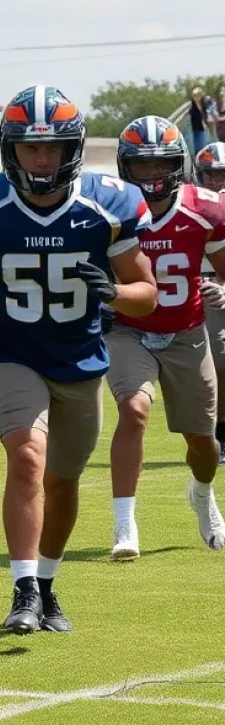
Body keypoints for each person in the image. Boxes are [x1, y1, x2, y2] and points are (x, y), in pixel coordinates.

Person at [0, 84, 156, 635]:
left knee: (63, 482)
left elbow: (146, 294)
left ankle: (46, 584)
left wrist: (113, 293)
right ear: (10, 150)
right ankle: (22, 589)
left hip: (81, 358)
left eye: (53, 147)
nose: (41, 159)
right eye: (30, 147)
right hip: (12, 354)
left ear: (72, 148)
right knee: (26, 457)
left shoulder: (107, 205)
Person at [106, 116, 225, 559]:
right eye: (143, 165)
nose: (153, 174)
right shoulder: (110, 208)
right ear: (126, 167)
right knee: (134, 410)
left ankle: (202, 493)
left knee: (203, 443)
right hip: (128, 329)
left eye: (162, 164)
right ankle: (125, 523)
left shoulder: (204, 209)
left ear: (179, 165)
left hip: (186, 332)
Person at [193, 142, 225, 461]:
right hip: (202, 286)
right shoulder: (192, 204)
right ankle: (219, 432)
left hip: (220, 284)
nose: (215, 181)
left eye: (221, 174)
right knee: (217, 361)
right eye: (209, 174)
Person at [190, 86, 212, 153]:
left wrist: (206, 120)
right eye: (195, 96)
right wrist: (202, 122)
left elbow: (204, 114)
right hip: (198, 129)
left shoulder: (202, 104)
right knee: (200, 148)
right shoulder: (192, 108)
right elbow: (196, 117)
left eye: (199, 95)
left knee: (206, 144)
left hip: (204, 128)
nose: (197, 97)